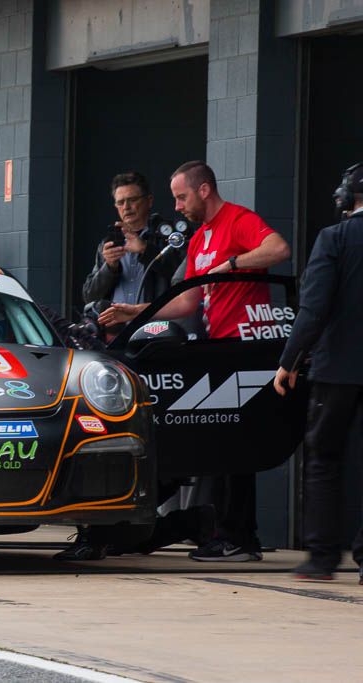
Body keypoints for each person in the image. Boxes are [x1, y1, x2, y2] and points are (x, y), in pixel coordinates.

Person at [100, 160, 291, 562]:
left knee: (238, 446)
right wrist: (134, 312)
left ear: (204, 190)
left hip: (245, 348)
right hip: (214, 349)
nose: (177, 206)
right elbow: (188, 299)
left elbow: (279, 248)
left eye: (181, 196)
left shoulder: (237, 220)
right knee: (220, 446)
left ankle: (240, 537)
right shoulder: (200, 236)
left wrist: (234, 265)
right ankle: (228, 533)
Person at [273, 163, 363, 583]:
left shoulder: (334, 239)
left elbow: (313, 309)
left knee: (324, 458)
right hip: (340, 367)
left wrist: (289, 361)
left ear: (347, 198)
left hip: (337, 371)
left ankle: (322, 557)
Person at [82, 172, 185, 310]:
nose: (126, 207)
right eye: (120, 202)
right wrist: (110, 267)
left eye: (132, 200)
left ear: (149, 201)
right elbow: (89, 296)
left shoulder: (168, 235)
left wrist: (145, 249)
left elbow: (183, 279)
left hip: (155, 327)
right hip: (118, 329)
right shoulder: (109, 243)